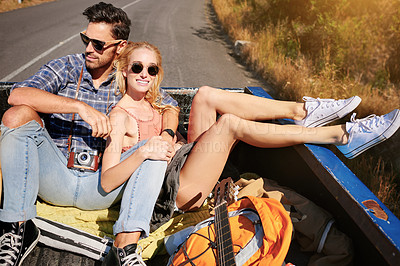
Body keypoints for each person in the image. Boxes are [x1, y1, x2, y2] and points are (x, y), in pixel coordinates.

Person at [100, 41, 400, 265]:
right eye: (137, 68)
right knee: (229, 125)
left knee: (205, 95)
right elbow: (108, 180)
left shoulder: (159, 106)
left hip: (183, 163)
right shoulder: (119, 116)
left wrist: (170, 137)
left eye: (151, 69)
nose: (145, 74)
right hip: (170, 192)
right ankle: (339, 135)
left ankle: (302, 110)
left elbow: (172, 117)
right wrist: (145, 153)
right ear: (124, 71)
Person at [0, 3, 179, 266]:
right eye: (86, 40)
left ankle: (125, 249)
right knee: (15, 116)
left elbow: (171, 104)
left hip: (102, 185)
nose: (88, 49)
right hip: (55, 176)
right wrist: (79, 107)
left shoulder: (130, 73)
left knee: (152, 151)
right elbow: (17, 95)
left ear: (120, 46)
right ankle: (17, 229)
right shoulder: (68, 67)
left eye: (98, 44)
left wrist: (167, 134)